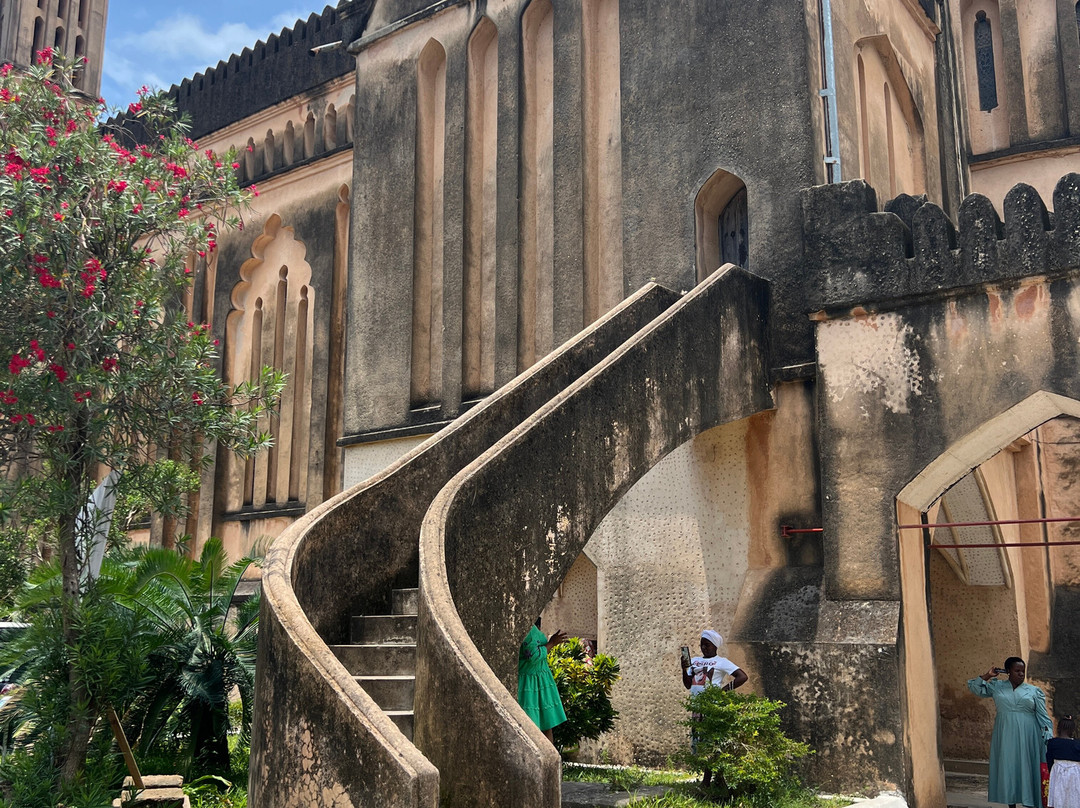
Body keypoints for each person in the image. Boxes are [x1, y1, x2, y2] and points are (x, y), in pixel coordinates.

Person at [968, 657, 1053, 808]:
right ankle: (1011, 804)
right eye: (1017, 671)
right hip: (1005, 733)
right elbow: (975, 687)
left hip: (1030, 735)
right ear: (1008, 671)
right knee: (1008, 766)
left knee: (1029, 766)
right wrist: (988, 675)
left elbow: (1043, 716)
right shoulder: (997, 686)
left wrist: (1048, 735)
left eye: (1023, 671)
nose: (1021, 674)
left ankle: (1032, 803)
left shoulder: (1033, 691)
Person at [681, 629, 748, 787]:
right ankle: (716, 779)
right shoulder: (695, 661)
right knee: (701, 743)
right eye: (702, 645)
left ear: (715, 646)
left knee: (712, 742)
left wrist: (722, 692)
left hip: (712, 707)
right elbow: (688, 684)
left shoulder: (721, 662)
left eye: (707, 645)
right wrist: (684, 669)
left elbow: (742, 676)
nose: (704, 648)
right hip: (697, 707)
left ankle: (708, 781)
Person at [517, 618, 567, 744]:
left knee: (546, 723)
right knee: (531, 725)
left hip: (540, 681)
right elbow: (533, 656)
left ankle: (549, 761)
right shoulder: (527, 629)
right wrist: (552, 644)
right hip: (530, 683)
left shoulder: (531, 628)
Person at [1048, 714, 1080, 808]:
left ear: (1058, 729)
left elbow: (1049, 759)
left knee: (1059, 797)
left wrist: (1052, 771)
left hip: (1057, 773)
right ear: (1072, 730)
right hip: (1075, 774)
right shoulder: (1077, 745)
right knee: (1075, 797)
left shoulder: (1052, 743)